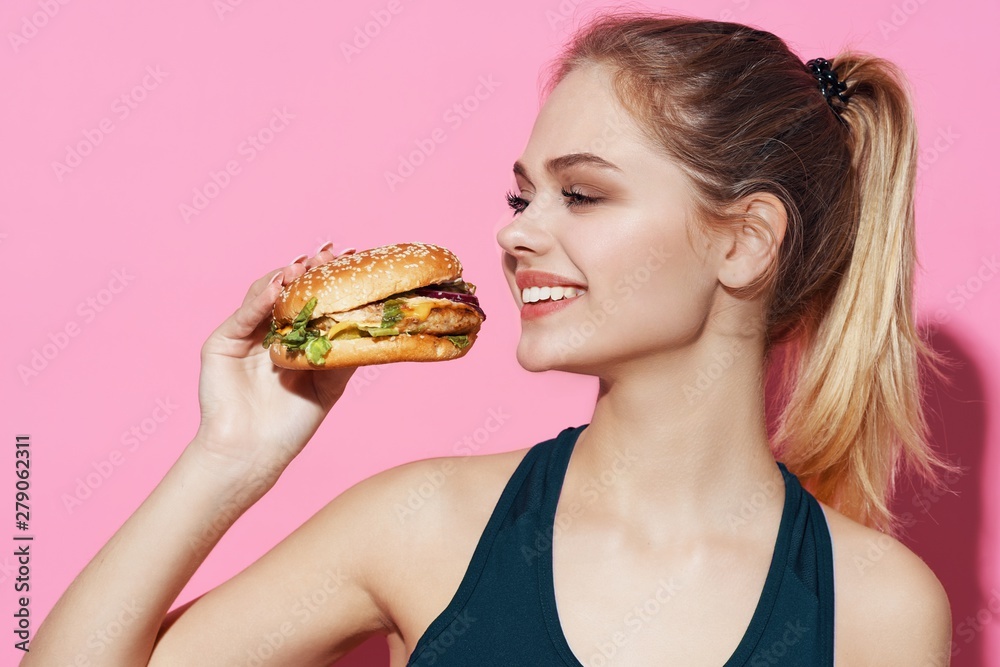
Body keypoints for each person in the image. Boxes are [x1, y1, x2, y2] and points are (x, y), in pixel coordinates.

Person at [27, 10, 955, 666]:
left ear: (743, 240)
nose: (516, 232)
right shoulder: (423, 524)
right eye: (522, 195)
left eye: (581, 193)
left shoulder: (874, 609)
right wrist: (229, 454)